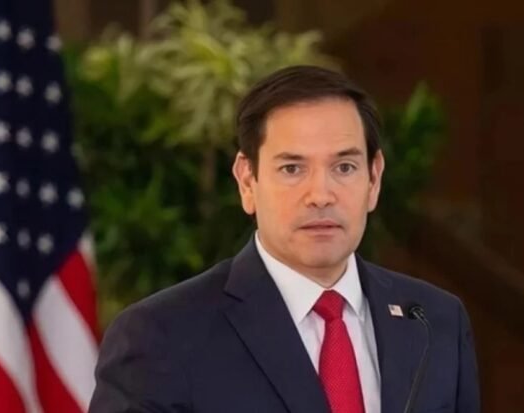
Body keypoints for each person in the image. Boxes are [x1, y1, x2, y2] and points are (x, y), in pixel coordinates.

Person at [89, 65, 480, 413]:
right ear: (247, 181)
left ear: (374, 179)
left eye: (344, 167)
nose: (321, 195)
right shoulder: (162, 335)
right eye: (292, 168)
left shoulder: (434, 321)